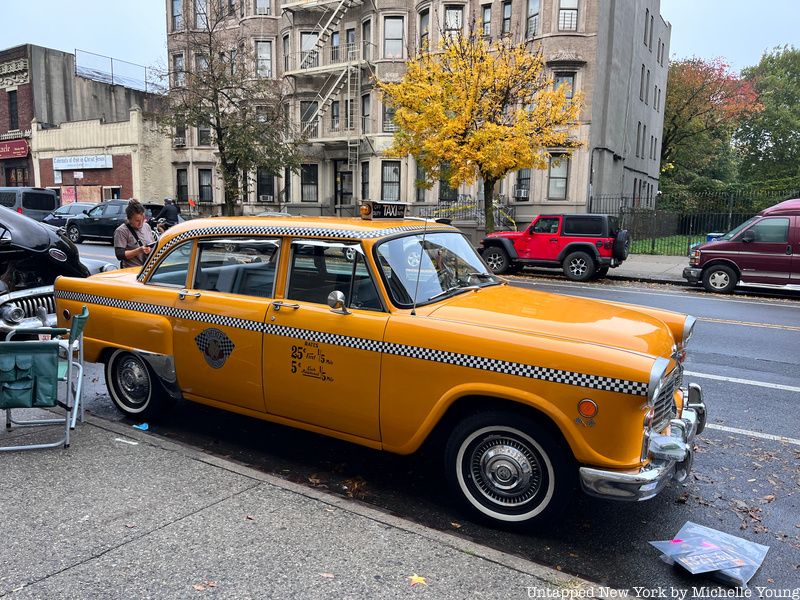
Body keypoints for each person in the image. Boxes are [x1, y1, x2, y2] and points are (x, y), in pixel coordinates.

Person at [114, 199, 156, 268]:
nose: (141, 223)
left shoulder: (146, 226)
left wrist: (150, 249)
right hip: (131, 270)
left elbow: (152, 246)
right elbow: (120, 255)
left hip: (147, 269)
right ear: (129, 218)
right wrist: (139, 250)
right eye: (137, 221)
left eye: (143, 219)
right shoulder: (121, 231)